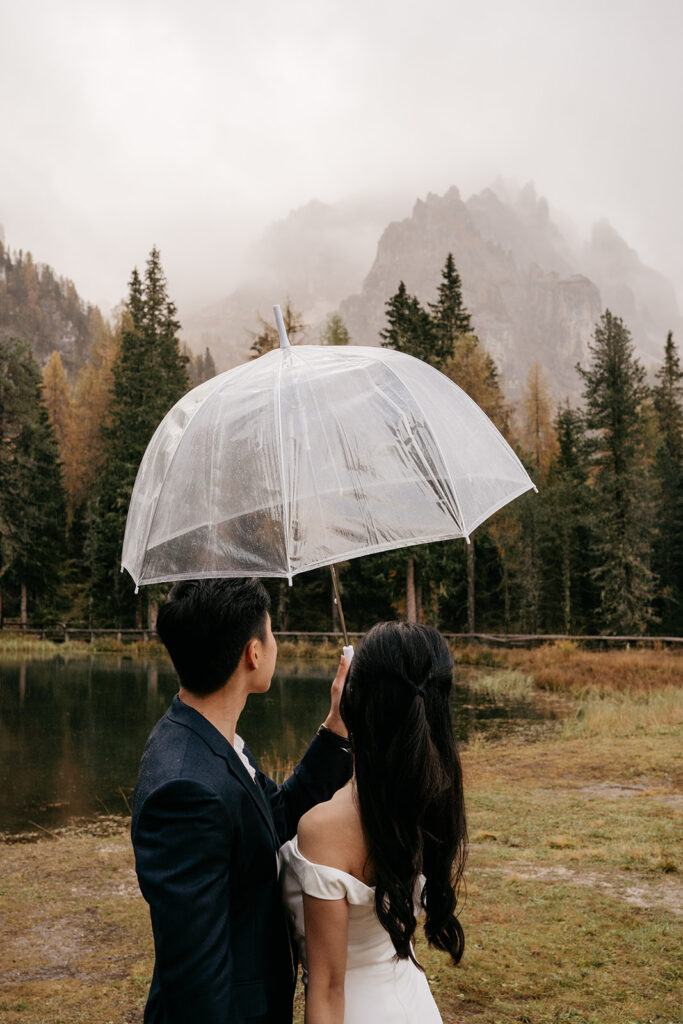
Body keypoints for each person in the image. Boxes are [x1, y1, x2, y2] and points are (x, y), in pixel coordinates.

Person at [131, 577, 353, 1024]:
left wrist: (337, 727)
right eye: (272, 634)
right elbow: (198, 983)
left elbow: (279, 816)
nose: (275, 644)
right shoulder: (185, 790)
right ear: (253, 653)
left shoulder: (213, 738)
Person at [280, 621, 467, 1024]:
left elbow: (329, 989)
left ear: (356, 703)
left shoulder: (323, 829)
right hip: (414, 1005)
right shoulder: (435, 799)